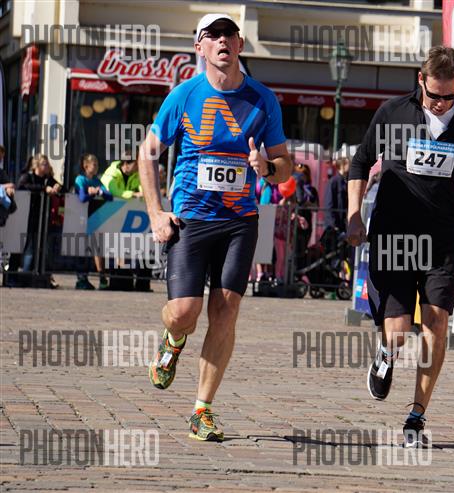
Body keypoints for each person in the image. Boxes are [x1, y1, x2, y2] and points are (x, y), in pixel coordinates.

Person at [138, 13, 292, 442]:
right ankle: (173, 340)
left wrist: (267, 167)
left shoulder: (263, 99)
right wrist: (155, 213)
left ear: (240, 45)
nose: (222, 40)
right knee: (184, 313)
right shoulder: (184, 95)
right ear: (200, 47)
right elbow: (148, 153)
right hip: (191, 219)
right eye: (213, 35)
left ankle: (201, 409)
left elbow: (285, 165)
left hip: (240, 222)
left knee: (225, 311)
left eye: (229, 34)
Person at [347, 46, 454, 447]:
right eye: (434, 95)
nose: (441, 103)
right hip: (393, 235)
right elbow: (360, 162)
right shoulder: (393, 112)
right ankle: (386, 355)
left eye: (449, 95)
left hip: (442, 240)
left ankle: (416, 416)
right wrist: (354, 215)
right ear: (420, 80)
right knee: (396, 334)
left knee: (436, 323)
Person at [101, 153, 149, 291]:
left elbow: (143, 188)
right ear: (126, 164)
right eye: (136, 163)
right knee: (109, 247)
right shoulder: (111, 173)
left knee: (125, 245)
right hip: (107, 214)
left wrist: (144, 194)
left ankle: (124, 278)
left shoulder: (136, 174)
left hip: (125, 214)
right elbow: (114, 191)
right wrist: (133, 194)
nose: (138, 166)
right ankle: (108, 278)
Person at [17, 154, 62, 281]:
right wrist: (43, 189)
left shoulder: (48, 179)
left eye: (47, 164)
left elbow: (61, 188)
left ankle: (39, 276)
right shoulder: (28, 177)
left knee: (42, 248)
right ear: (36, 165)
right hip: (29, 217)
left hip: (44, 218)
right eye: (44, 164)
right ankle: (25, 276)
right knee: (30, 248)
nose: (47, 166)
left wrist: (58, 187)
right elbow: (22, 186)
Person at [74, 154, 113, 290]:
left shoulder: (96, 180)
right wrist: (90, 193)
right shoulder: (80, 179)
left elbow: (109, 196)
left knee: (98, 249)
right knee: (83, 249)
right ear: (86, 166)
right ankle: (81, 279)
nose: (96, 167)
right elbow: (82, 197)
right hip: (81, 219)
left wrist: (99, 192)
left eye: (97, 165)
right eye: (94, 165)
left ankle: (102, 278)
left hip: (95, 218)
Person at [324, 157, 349, 233]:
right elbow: (329, 204)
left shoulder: (346, 182)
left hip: (343, 224)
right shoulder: (333, 181)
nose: (350, 166)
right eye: (348, 164)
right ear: (342, 165)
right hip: (334, 226)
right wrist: (333, 224)